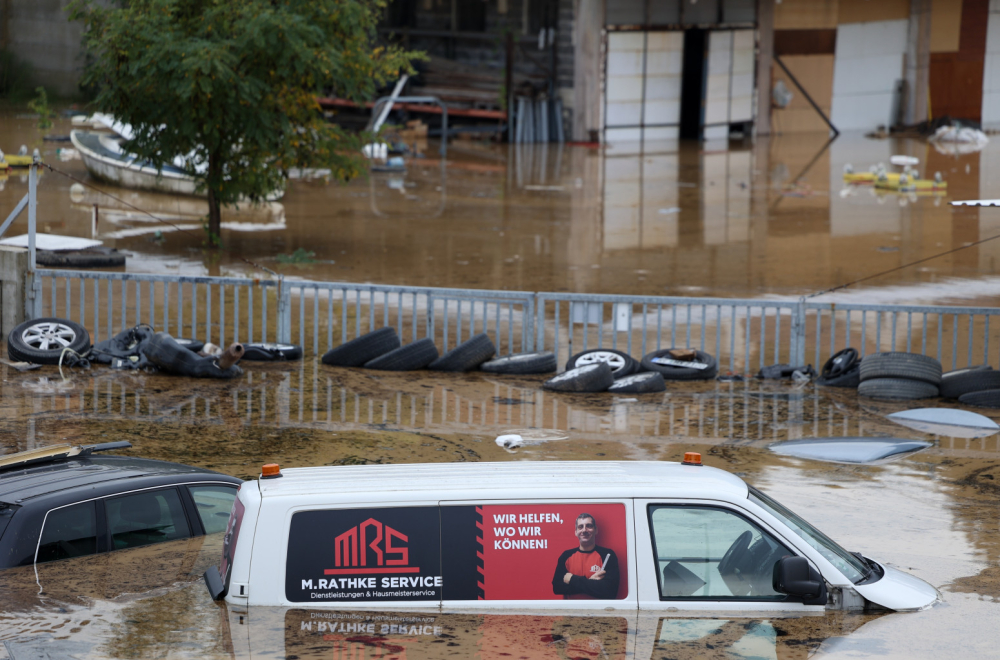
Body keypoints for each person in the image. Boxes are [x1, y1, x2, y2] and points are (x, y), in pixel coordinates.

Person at [550, 512, 620, 599]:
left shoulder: (607, 555)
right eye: (580, 527)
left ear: (596, 530)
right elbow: (557, 588)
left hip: (600, 611)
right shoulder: (566, 556)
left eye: (589, 526)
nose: (584, 530)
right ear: (576, 532)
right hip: (573, 611)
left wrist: (572, 579)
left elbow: (610, 591)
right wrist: (591, 583)